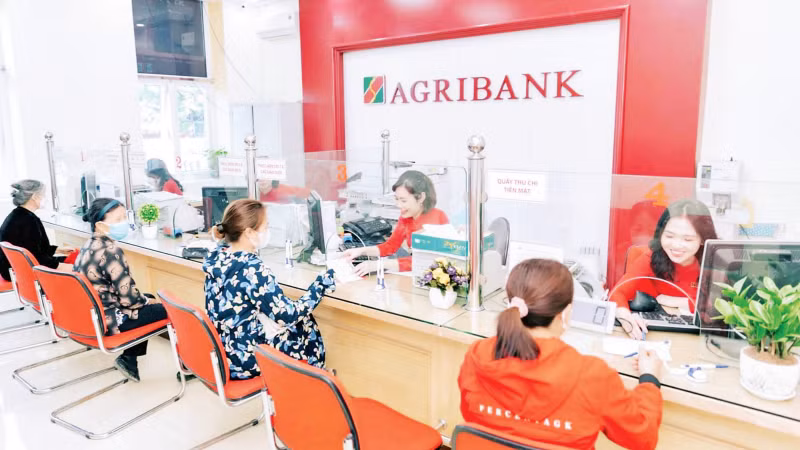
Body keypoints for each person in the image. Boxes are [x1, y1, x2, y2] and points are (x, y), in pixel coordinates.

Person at [458, 259, 663, 449]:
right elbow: (643, 437)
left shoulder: (477, 354)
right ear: (565, 313)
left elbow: (472, 415)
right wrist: (649, 379)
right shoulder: (592, 375)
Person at [204, 199, 336, 379]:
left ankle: (314, 376)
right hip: (247, 358)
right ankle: (316, 381)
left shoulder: (218, 257)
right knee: (304, 323)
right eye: (265, 227)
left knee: (293, 318)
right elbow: (287, 314)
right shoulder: (250, 268)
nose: (268, 232)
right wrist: (319, 286)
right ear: (249, 233)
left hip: (224, 348)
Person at [73, 198, 166, 382]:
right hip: (111, 319)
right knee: (169, 309)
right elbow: (129, 300)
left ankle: (129, 360)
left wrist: (145, 300)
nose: (123, 223)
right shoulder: (110, 250)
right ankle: (188, 366)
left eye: (125, 217)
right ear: (100, 225)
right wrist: (148, 302)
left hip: (93, 314)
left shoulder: (88, 244)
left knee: (147, 297)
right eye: (118, 219)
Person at [611, 199, 718, 339]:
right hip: (657, 336)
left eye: (687, 239)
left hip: (699, 339)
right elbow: (617, 293)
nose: (677, 245)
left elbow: (716, 307)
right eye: (669, 236)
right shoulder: (652, 257)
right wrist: (625, 317)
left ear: (703, 239)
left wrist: (674, 301)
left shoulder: (715, 262)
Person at [342, 170, 448, 275]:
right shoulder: (406, 218)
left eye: (403, 200)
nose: (398, 205)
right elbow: (390, 246)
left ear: (421, 197)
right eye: (396, 199)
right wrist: (361, 251)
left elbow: (426, 261)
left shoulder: (437, 218)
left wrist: (379, 264)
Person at [0, 180, 75, 281]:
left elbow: (32, 247)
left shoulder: (16, 216)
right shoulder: (29, 220)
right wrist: (73, 269)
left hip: (10, 269)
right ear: (35, 197)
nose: (45, 198)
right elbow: (38, 258)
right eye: (43, 195)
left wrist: (59, 250)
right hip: (23, 272)